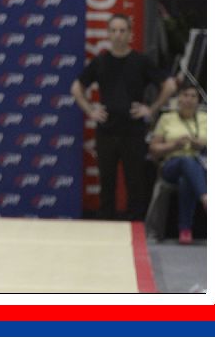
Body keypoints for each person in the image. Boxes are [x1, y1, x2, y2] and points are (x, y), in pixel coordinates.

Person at [71, 14, 177, 220]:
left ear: (130, 34)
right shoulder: (100, 61)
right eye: (113, 30)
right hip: (107, 131)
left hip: (133, 131)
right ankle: (105, 225)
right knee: (106, 182)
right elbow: (76, 88)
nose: (118, 35)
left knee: (135, 182)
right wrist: (90, 110)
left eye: (122, 30)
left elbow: (170, 85)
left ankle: (135, 226)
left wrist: (152, 109)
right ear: (108, 34)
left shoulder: (141, 61)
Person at [148, 84, 208, 243]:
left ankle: (185, 230)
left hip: (201, 165)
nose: (189, 99)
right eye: (185, 95)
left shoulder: (206, 119)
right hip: (172, 165)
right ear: (178, 99)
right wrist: (174, 145)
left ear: (198, 101)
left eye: (193, 96)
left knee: (186, 179)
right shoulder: (167, 119)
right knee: (185, 161)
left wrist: (201, 145)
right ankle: (205, 198)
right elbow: (153, 149)